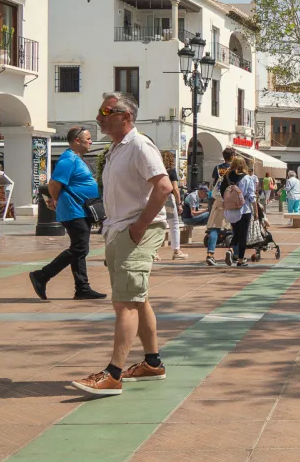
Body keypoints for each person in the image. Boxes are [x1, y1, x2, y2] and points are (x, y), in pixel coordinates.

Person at [71, 92, 171, 397]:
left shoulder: (139, 145)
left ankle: (113, 374)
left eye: (106, 111)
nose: (99, 116)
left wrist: (140, 226)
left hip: (135, 230)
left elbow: (164, 186)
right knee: (136, 299)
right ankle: (152, 363)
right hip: (119, 230)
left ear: (125, 116)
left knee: (125, 302)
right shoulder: (117, 149)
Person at [30, 125, 105, 300]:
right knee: (80, 248)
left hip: (80, 210)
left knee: (79, 249)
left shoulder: (76, 158)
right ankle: (42, 275)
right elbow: (54, 184)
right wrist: (54, 200)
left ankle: (82, 288)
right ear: (77, 140)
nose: (91, 141)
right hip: (73, 210)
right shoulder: (68, 159)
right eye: (88, 139)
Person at [219, 155, 256, 267]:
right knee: (243, 235)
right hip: (244, 209)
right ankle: (240, 259)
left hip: (230, 210)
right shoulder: (246, 178)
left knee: (236, 232)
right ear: (243, 165)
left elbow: (221, 191)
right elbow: (251, 195)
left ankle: (230, 249)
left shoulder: (227, 176)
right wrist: (256, 210)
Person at [158, 151, 187, 262]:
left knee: (159, 223)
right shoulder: (171, 171)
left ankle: (155, 253)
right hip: (168, 198)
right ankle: (176, 251)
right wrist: (179, 203)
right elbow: (175, 188)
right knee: (174, 224)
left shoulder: (158, 170)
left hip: (157, 198)